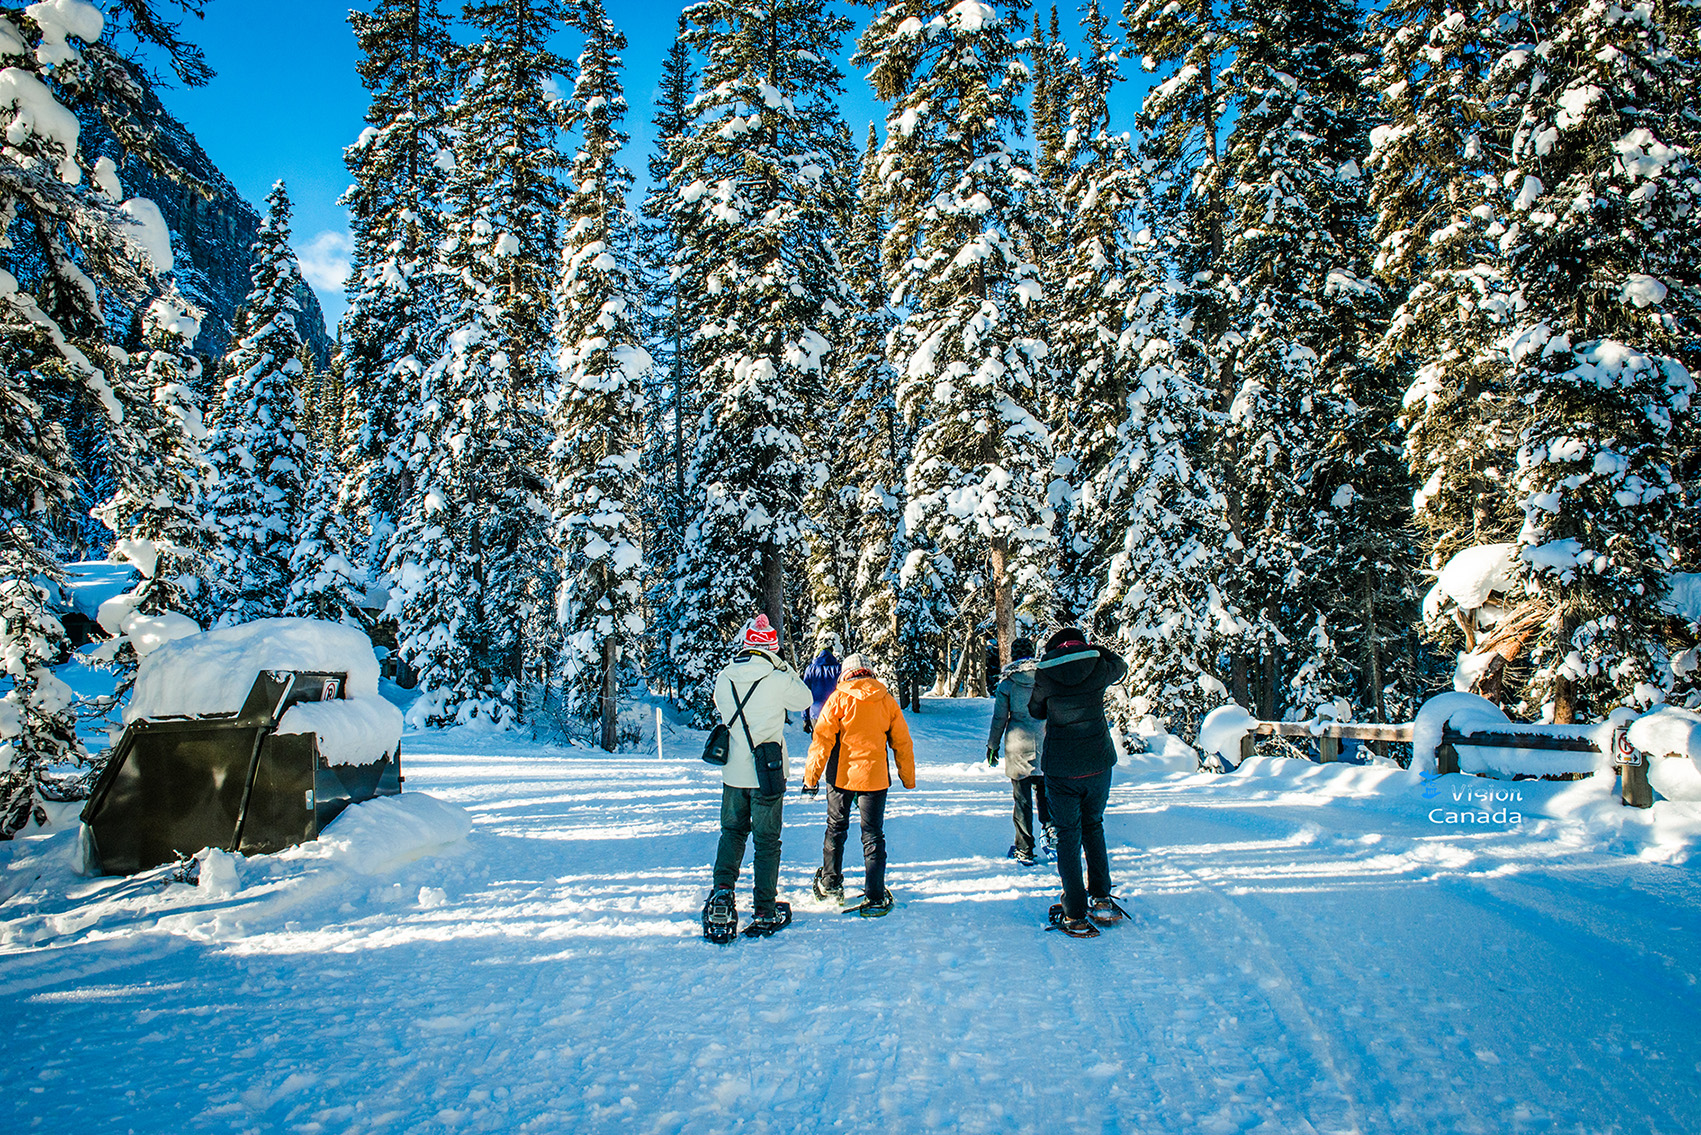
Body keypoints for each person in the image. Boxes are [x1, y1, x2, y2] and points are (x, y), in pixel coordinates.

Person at [702, 614, 812, 940]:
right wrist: (784, 666)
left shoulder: (725, 677)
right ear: (772, 648)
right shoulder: (777, 678)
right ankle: (764, 908)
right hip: (768, 773)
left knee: (732, 834)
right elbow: (804, 700)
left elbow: (723, 710)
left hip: (733, 772)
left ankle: (722, 894)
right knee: (766, 842)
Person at [1028, 626, 1129, 939]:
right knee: (1093, 826)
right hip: (1098, 763)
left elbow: (1035, 710)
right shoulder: (1098, 665)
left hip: (1061, 767)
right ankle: (1101, 898)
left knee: (1068, 835)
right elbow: (1121, 666)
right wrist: (1095, 650)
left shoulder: (1046, 673)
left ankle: (1074, 912)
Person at [801, 653, 916, 916]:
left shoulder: (838, 698)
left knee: (836, 827)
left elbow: (821, 742)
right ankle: (875, 895)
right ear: (869, 671)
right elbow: (902, 741)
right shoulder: (886, 700)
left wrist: (811, 778)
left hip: (840, 776)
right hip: (875, 777)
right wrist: (907, 777)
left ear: (847, 673)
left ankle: (830, 884)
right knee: (873, 833)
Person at [987, 635, 1050, 866]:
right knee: (1045, 792)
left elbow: (999, 718)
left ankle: (1024, 848)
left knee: (1022, 799)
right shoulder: (1045, 679)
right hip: (1044, 742)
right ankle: (1051, 831)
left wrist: (992, 745)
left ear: (1013, 655)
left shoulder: (1008, 683)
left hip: (1018, 746)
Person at [801, 642, 841, 733]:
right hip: (834, 713)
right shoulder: (839, 669)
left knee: (819, 744)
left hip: (816, 713)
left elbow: (806, 693)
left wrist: (805, 718)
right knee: (836, 743)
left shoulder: (810, 669)